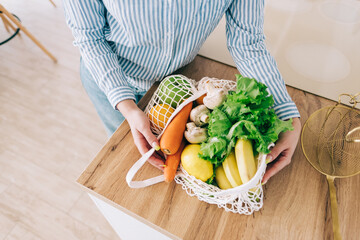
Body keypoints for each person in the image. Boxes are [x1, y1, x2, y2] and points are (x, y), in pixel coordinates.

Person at [63, 0, 301, 184]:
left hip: (177, 81)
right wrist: (127, 107)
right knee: (133, 160)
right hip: (112, 83)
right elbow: (90, 37)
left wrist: (285, 113)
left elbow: (247, 43)